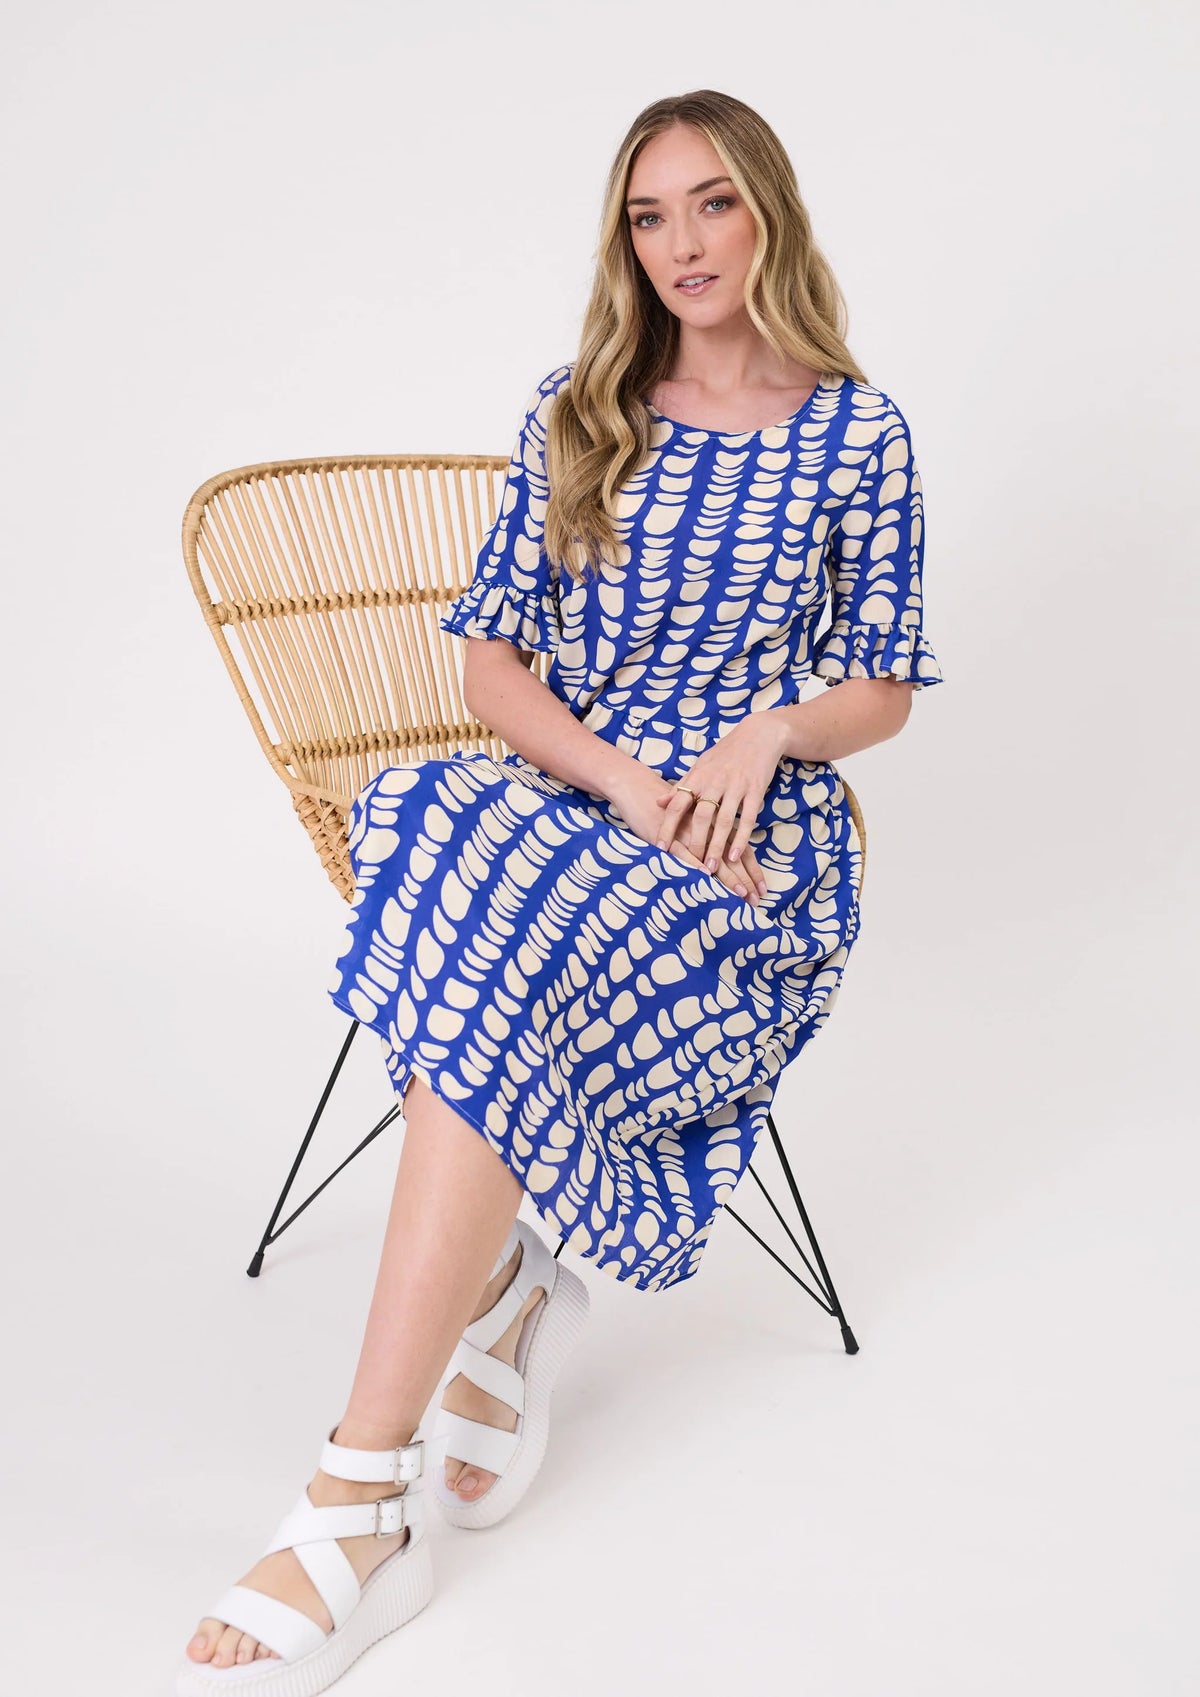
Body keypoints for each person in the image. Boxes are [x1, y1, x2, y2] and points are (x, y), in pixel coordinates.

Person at [178, 87, 943, 1692]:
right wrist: (619, 779)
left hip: (735, 846)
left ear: (770, 211)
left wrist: (765, 730)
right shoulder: (580, 409)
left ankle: (358, 1495)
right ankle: (439, 1390)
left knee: (493, 918)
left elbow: (880, 686)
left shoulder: (858, 433)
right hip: (577, 794)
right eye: (650, 217)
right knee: (442, 820)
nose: (683, 245)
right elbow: (490, 665)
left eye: (713, 204)